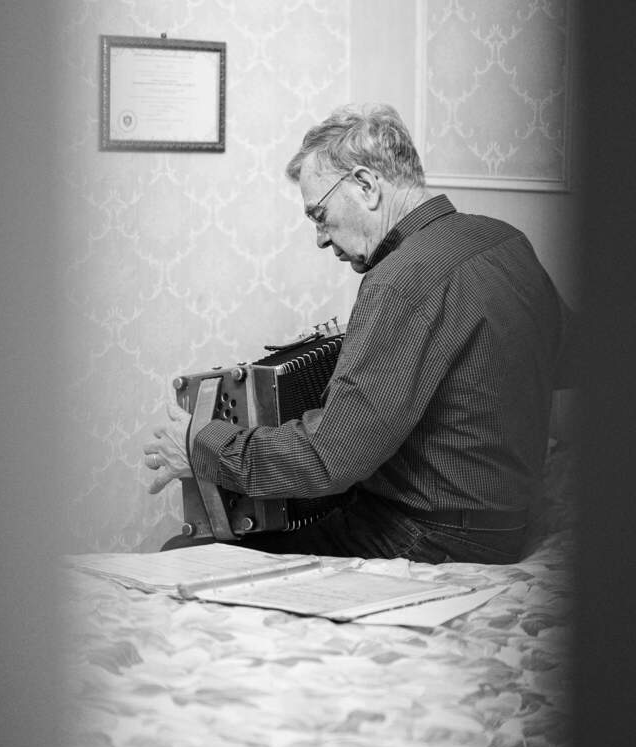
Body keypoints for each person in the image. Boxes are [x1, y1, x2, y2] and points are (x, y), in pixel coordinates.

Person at [143, 104, 572, 565]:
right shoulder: (504, 241)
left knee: (184, 552)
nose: (321, 239)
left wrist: (198, 443)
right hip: (505, 525)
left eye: (319, 215)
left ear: (366, 185)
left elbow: (328, 460)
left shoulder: (401, 278)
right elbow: (566, 361)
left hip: (426, 536)